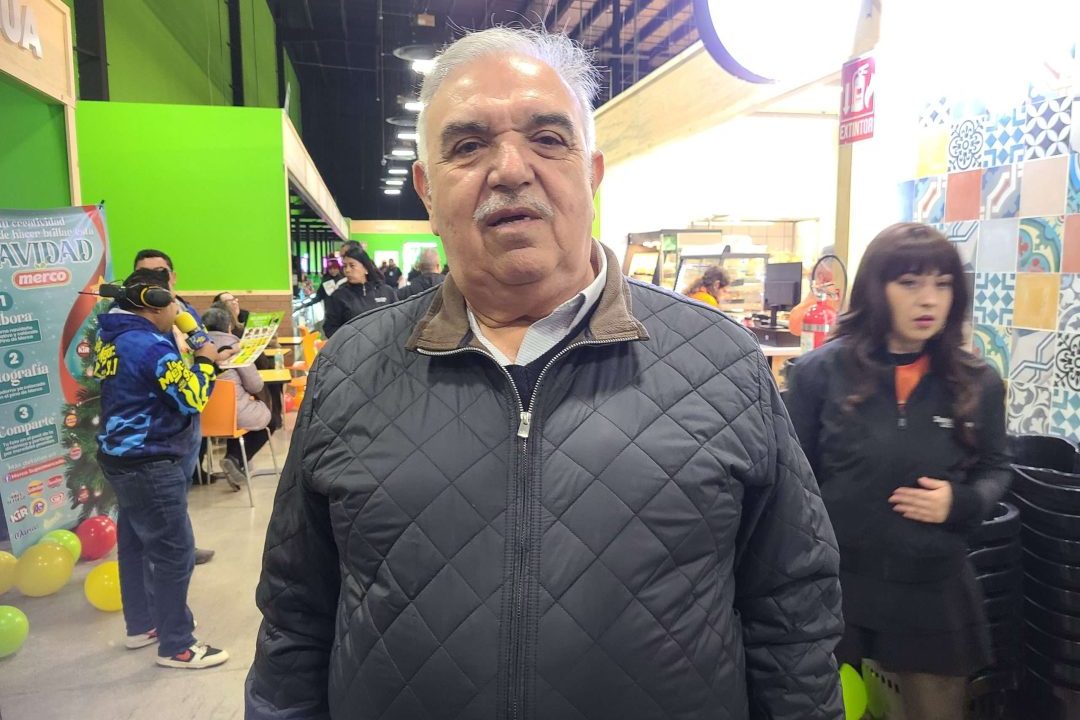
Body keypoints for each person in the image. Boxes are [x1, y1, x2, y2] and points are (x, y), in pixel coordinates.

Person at [247, 27, 842, 720]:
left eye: (549, 139)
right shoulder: (349, 371)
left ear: (592, 174)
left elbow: (792, 610)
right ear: (427, 191)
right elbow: (296, 617)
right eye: (468, 146)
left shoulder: (722, 364)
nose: (510, 169)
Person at [784, 223, 1010, 720]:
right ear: (876, 288)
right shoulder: (819, 373)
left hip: (930, 587)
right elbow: (795, 480)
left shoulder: (976, 381)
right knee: (831, 708)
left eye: (942, 284)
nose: (928, 299)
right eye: (909, 283)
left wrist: (962, 502)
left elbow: (997, 467)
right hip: (838, 585)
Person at [94, 268, 229, 669]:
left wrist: (195, 340)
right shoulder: (150, 347)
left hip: (122, 457)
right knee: (174, 553)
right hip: (150, 461)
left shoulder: (114, 337)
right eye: (174, 302)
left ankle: (143, 625)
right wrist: (206, 362)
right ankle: (177, 645)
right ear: (152, 304)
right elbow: (191, 399)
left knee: (135, 546)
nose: (179, 310)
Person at [132, 249, 216, 566]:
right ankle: (168, 554)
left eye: (161, 273)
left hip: (188, 413)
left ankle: (182, 545)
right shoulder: (132, 322)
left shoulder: (185, 311)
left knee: (180, 486)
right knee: (158, 495)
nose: (155, 281)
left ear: (173, 276)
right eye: (147, 274)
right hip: (156, 423)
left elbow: (201, 343)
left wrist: (209, 358)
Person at [202, 307, 272, 490]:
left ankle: (231, 463)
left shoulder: (196, 347)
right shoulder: (236, 347)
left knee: (242, 416)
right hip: (233, 413)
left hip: (202, 417)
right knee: (269, 421)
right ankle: (235, 459)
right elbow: (255, 385)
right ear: (229, 327)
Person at [320, 247, 397, 337]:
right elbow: (330, 328)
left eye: (352, 265)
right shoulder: (339, 296)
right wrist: (351, 338)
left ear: (366, 268)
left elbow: (398, 320)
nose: (347, 270)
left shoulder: (386, 292)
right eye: (345, 266)